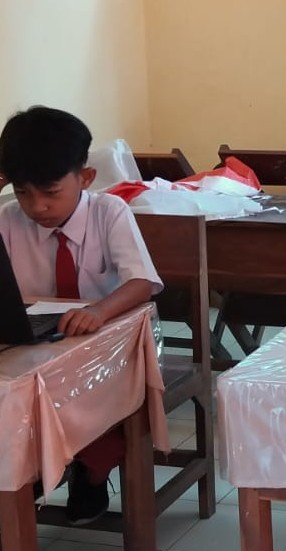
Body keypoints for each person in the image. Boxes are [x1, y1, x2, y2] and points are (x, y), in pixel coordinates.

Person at [0, 106, 163, 524]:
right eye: (22, 192)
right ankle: (23, 482)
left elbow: (141, 282)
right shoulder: (7, 220)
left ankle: (89, 472)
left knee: (78, 392)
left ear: (86, 177)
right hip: (37, 347)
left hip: (109, 345)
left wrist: (99, 310)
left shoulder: (109, 212)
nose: (37, 207)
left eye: (50, 192)